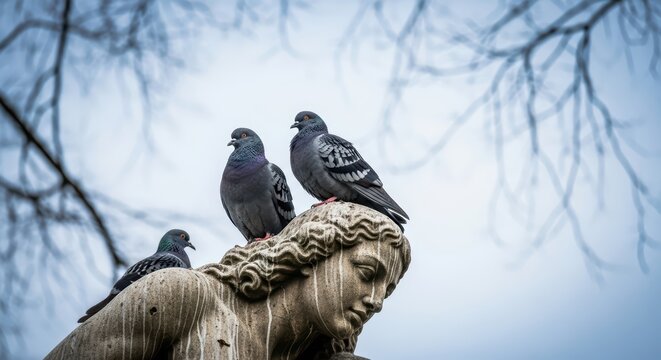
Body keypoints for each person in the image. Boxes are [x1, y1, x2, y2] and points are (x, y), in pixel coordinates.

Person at [46, 202, 411, 359]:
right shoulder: (183, 297)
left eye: (387, 290)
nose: (376, 300)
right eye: (367, 274)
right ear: (312, 253)